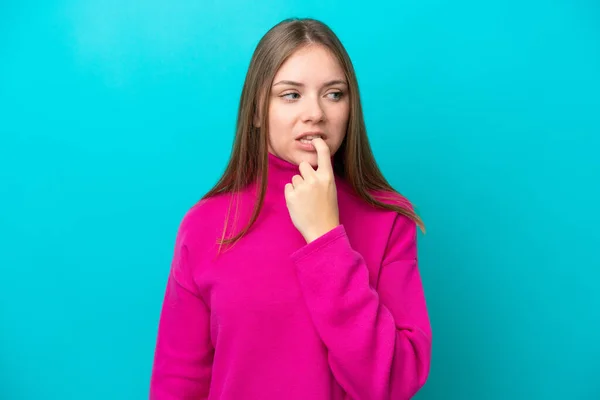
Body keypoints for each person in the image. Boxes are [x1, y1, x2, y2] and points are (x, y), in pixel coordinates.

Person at [149, 17, 432, 400]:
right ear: (255, 111)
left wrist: (326, 240)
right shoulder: (205, 226)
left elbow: (391, 381)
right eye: (291, 94)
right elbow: (178, 384)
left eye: (334, 94)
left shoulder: (388, 220)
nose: (315, 112)